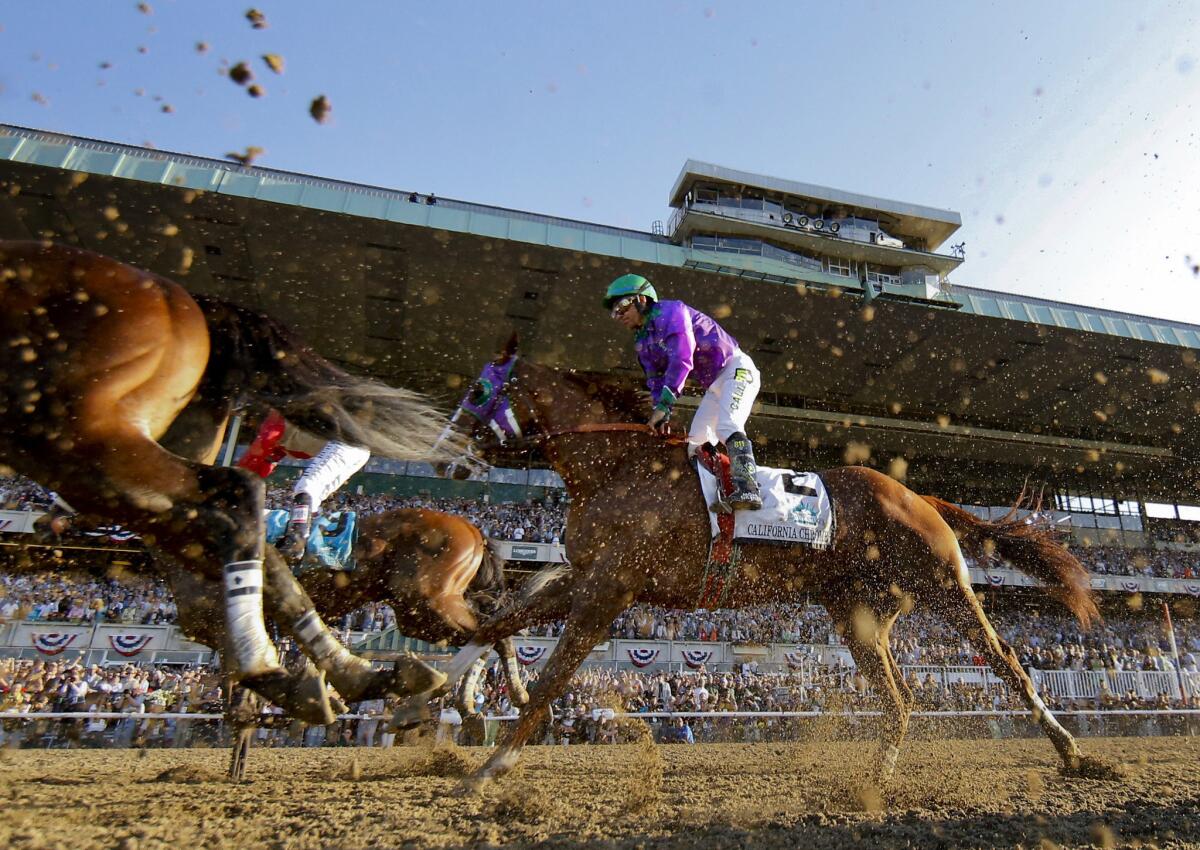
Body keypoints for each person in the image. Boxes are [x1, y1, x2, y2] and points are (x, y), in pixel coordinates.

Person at [603, 273, 763, 510]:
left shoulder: (672, 312)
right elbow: (656, 381)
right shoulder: (643, 341)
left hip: (737, 370)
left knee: (726, 427)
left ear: (641, 300)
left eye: (622, 306)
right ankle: (715, 496)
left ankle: (749, 489)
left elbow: (682, 359)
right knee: (695, 444)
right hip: (715, 385)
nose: (619, 315)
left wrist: (664, 406)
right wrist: (661, 415)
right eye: (615, 312)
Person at [238, 409, 370, 565]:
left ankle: (297, 541)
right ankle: (308, 542)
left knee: (307, 487)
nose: (249, 426)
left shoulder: (272, 422)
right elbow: (260, 469)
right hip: (355, 450)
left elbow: (251, 461)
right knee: (313, 499)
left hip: (347, 443)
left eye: (248, 422)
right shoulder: (280, 438)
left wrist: (232, 483)